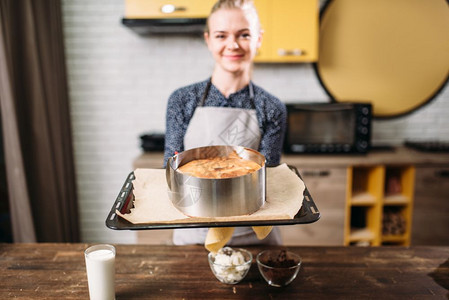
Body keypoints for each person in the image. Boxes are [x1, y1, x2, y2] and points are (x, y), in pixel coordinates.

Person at [163, 0, 287, 246]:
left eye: (244, 35)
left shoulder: (271, 107)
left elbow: (266, 176)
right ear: (208, 39)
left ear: (258, 39)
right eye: (221, 35)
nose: (233, 45)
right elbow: (172, 167)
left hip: (253, 234)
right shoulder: (182, 100)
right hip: (193, 230)